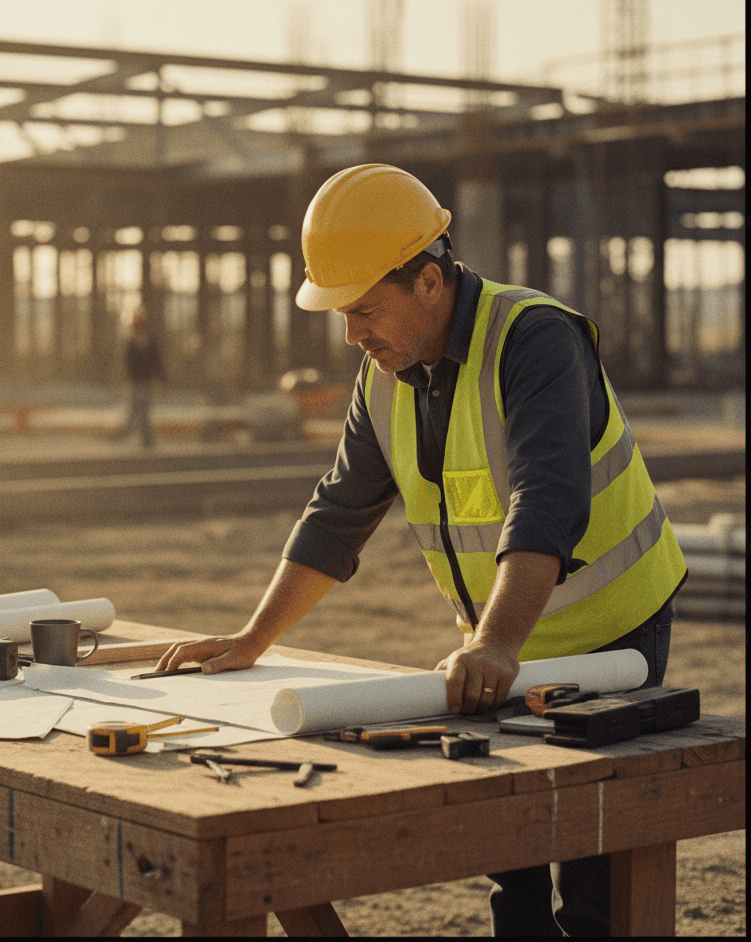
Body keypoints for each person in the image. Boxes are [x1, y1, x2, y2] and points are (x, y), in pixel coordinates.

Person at [155, 163, 688, 936]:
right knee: (515, 863)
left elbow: (549, 501)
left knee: (595, 875)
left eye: (365, 309)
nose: (351, 334)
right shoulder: (384, 379)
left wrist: (497, 644)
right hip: (495, 646)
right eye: (342, 314)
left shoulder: (535, 339)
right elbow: (337, 515)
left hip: (614, 641)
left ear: (430, 282)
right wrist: (252, 638)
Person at [120, 306, 161, 448]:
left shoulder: (151, 341)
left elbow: (157, 361)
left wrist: (159, 379)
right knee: (136, 409)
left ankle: (144, 437)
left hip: (147, 381)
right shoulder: (131, 342)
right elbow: (128, 363)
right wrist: (129, 380)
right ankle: (139, 436)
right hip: (136, 382)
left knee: (143, 410)